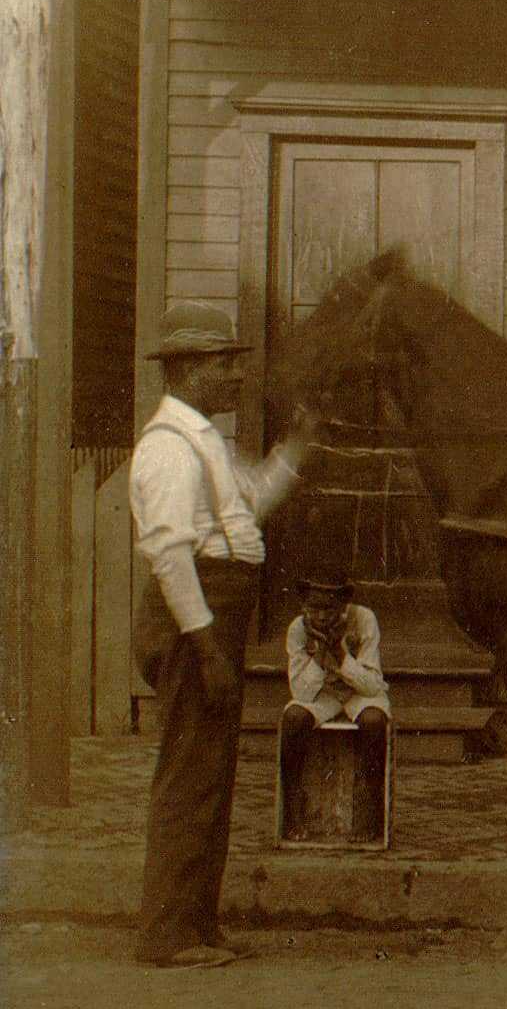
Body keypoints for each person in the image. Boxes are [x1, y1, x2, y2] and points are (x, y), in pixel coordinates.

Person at [131, 304, 315, 966]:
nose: (237, 375)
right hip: (195, 616)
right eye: (223, 364)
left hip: (217, 611)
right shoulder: (166, 449)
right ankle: (166, 933)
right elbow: (171, 555)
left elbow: (248, 506)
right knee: (188, 771)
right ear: (185, 372)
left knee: (210, 770)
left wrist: (296, 447)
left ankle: (195, 922)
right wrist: (205, 645)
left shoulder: (204, 437)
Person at [282, 578, 392, 837]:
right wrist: (321, 654)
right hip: (324, 694)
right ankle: (293, 812)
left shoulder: (364, 619)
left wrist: (341, 655)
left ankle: (370, 811)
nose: (320, 616)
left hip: (359, 692)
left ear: (344, 604)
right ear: (304, 606)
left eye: (329, 609)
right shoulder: (298, 628)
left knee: (374, 721)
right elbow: (301, 692)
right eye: (313, 608)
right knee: (294, 719)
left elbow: (373, 686)